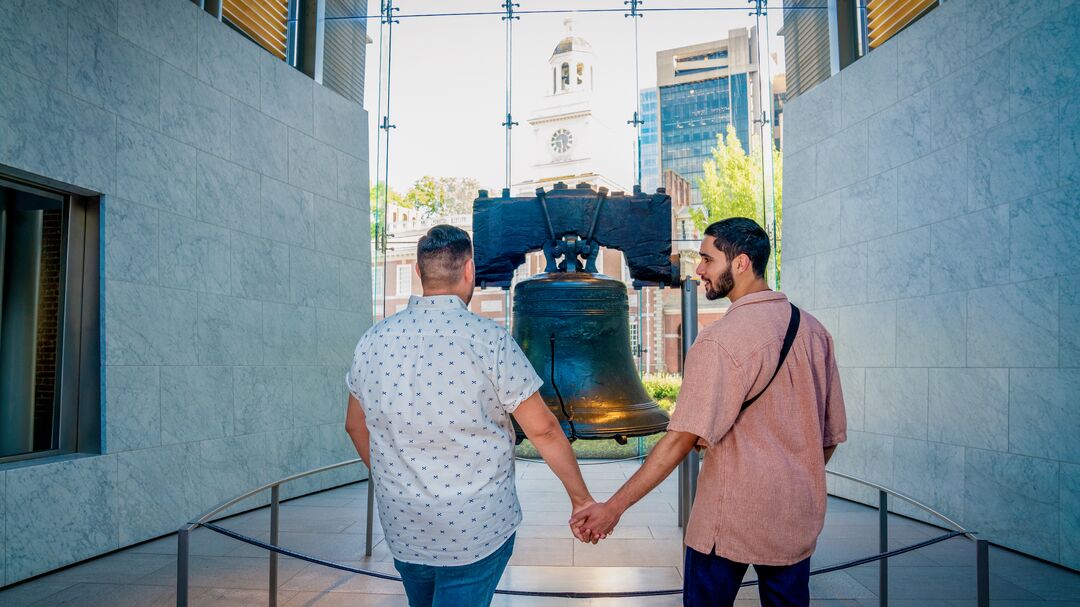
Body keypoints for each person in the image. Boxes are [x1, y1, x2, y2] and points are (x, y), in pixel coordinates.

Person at [571, 217, 846, 607]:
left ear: (741, 263)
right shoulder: (815, 332)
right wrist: (792, 476)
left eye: (707, 258)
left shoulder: (719, 340)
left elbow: (680, 439)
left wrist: (612, 509)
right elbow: (829, 438)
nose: (698, 269)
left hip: (727, 519)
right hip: (796, 516)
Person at [345, 224, 594, 607]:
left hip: (403, 523)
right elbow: (543, 430)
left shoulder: (373, 341)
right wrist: (581, 500)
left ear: (418, 271)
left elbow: (354, 424)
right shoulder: (488, 339)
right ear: (469, 271)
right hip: (475, 528)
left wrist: (394, 480)